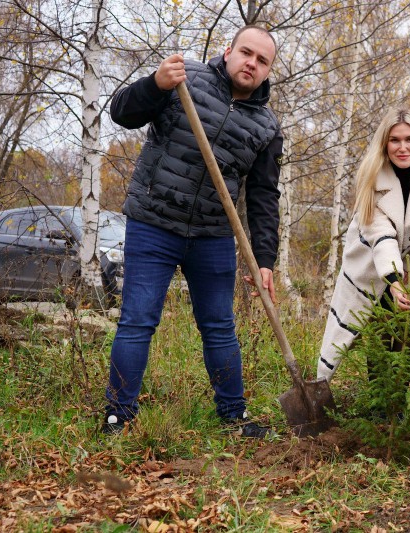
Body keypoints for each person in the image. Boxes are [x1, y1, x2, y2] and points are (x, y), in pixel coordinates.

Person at [103, 25, 283, 438]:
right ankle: (118, 415)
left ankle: (233, 417)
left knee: (220, 325)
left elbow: (263, 197)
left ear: (268, 70)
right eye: (246, 53)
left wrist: (265, 260)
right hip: (154, 223)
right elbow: (121, 113)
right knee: (137, 320)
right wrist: (153, 84)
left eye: (262, 60)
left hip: (214, 235)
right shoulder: (184, 78)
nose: (251, 64)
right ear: (229, 51)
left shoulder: (267, 127)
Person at [316, 108, 410, 380]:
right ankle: (375, 407)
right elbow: (380, 232)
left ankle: (396, 408)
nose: (402, 148)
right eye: (395, 140)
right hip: (370, 261)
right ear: (385, 143)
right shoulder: (372, 173)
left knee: (405, 334)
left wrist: (407, 275)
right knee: (375, 330)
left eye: (409, 139)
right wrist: (392, 277)